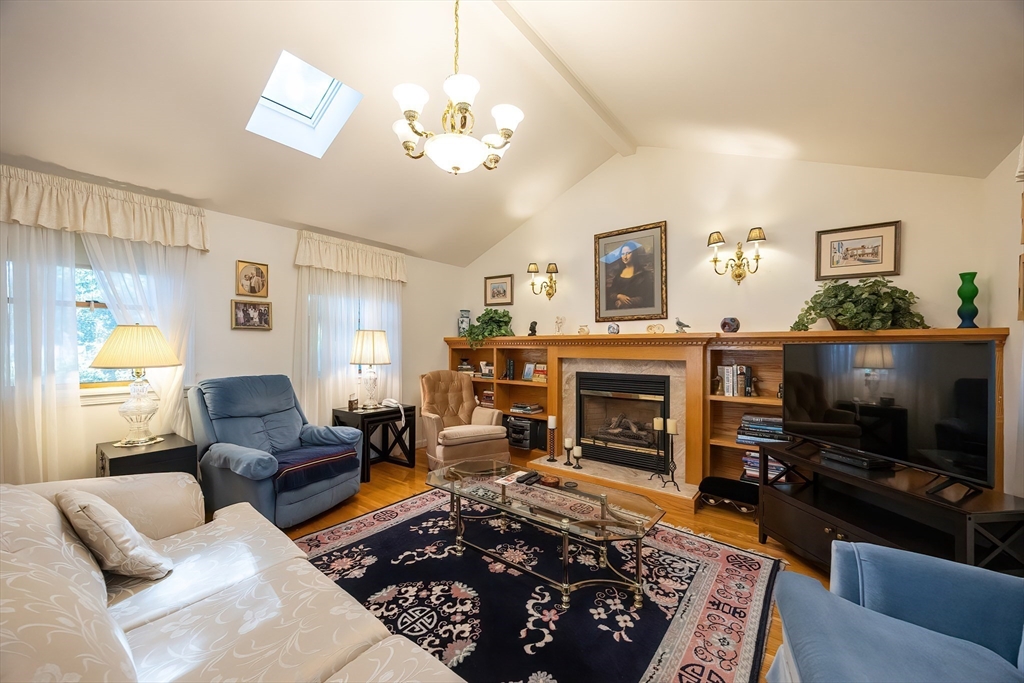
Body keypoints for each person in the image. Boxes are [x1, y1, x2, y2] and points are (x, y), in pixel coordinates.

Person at [603, 240, 654, 310]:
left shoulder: (642, 274)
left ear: (634, 254)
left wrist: (627, 302)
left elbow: (646, 297)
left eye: (628, 253)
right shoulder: (618, 274)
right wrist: (618, 296)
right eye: (623, 254)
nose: (625, 257)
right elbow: (611, 293)